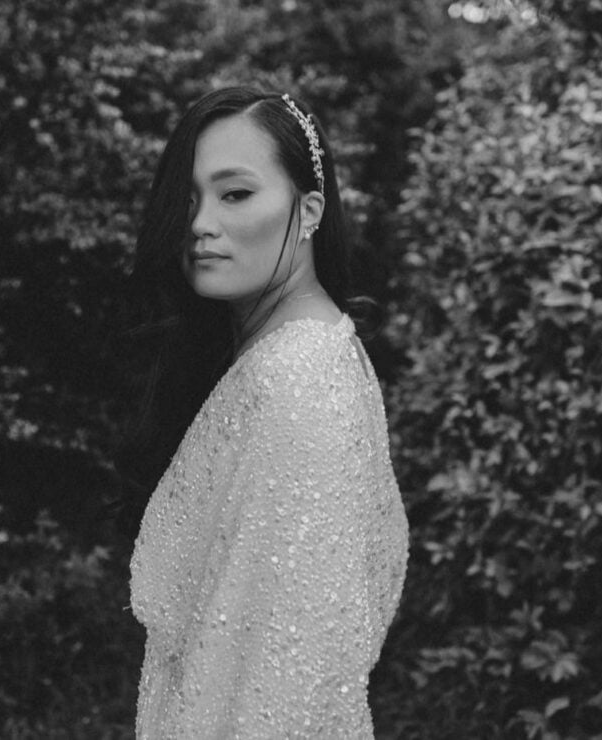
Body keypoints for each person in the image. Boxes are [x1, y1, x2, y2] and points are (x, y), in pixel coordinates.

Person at [123, 86, 409, 739]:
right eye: (188, 199)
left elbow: (287, 679)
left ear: (308, 211)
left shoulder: (298, 384)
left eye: (235, 194)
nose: (200, 223)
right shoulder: (300, 353)